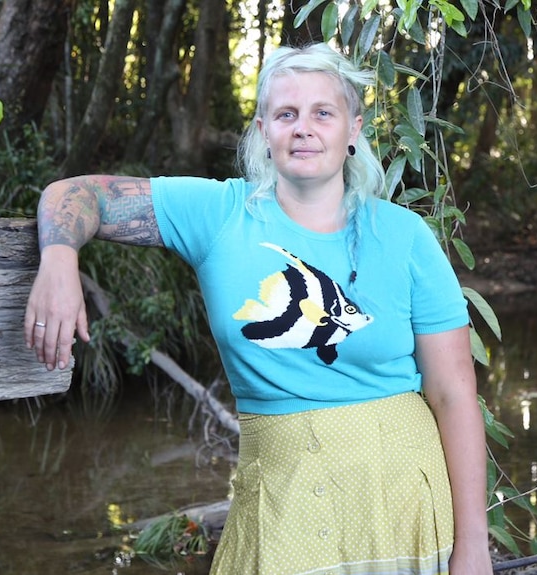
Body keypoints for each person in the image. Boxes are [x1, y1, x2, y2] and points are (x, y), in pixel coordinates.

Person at [25, 42, 493, 575]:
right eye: (286, 114)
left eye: (323, 112)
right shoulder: (220, 213)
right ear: (263, 131)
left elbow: (454, 395)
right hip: (281, 495)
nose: (303, 128)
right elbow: (80, 193)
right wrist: (59, 259)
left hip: (404, 503)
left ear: (353, 129)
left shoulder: (405, 236)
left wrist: (472, 543)